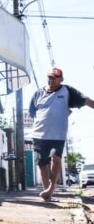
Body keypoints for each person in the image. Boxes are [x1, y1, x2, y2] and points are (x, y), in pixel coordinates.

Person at [29, 67, 94, 202]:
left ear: (61, 79)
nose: (50, 79)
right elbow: (32, 112)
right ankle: (48, 194)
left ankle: (52, 188)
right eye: (49, 77)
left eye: (54, 77)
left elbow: (87, 101)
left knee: (56, 159)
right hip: (39, 134)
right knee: (42, 163)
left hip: (58, 134)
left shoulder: (67, 91)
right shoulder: (38, 93)